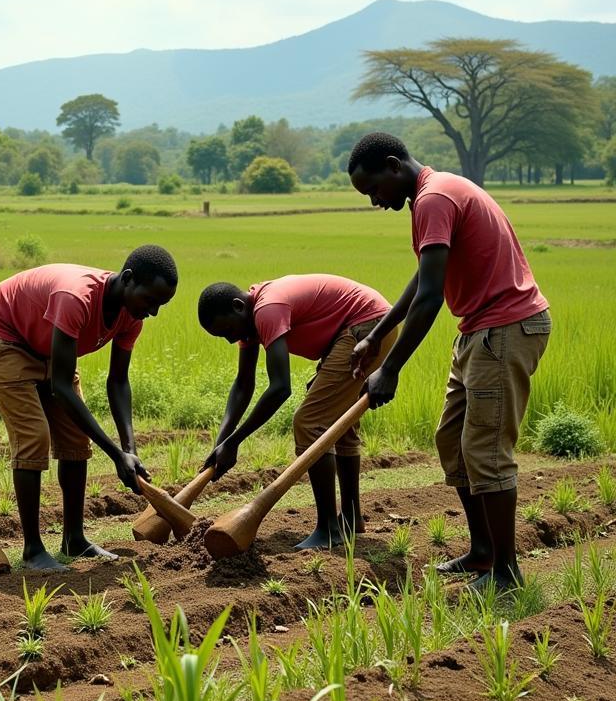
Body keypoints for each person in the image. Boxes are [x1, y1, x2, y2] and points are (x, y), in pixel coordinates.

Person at [348, 131, 550, 590]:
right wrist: (377, 336)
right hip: (480, 331)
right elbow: (423, 277)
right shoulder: (435, 195)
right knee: (452, 441)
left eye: (375, 190)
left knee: (486, 450)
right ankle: (483, 553)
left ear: (394, 166)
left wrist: (390, 369)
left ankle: (506, 573)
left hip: (504, 328)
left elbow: (430, 299)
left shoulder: (433, 198)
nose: (376, 202)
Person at [0, 246, 178, 571]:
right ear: (127, 280)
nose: (153, 311)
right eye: (150, 300)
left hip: (48, 345)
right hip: (6, 335)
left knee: (75, 439)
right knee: (33, 436)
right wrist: (114, 454)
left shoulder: (131, 317)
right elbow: (61, 387)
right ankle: (32, 549)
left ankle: (74, 540)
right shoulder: (77, 297)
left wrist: (129, 449)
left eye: (160, 305)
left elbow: (118, 382)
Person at [198, 275, 394, 549]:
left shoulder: (267, 309)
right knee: (338, 423)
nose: (232, 340)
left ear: (237, 306)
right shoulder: (249, 318)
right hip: (360, 325)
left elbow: (280, 388)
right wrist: (223, 441)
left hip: (368, 327)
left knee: (309, 422)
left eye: (228, 331)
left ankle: (328, 529)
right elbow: (244, 384)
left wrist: (235, 442)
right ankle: (351, 517)